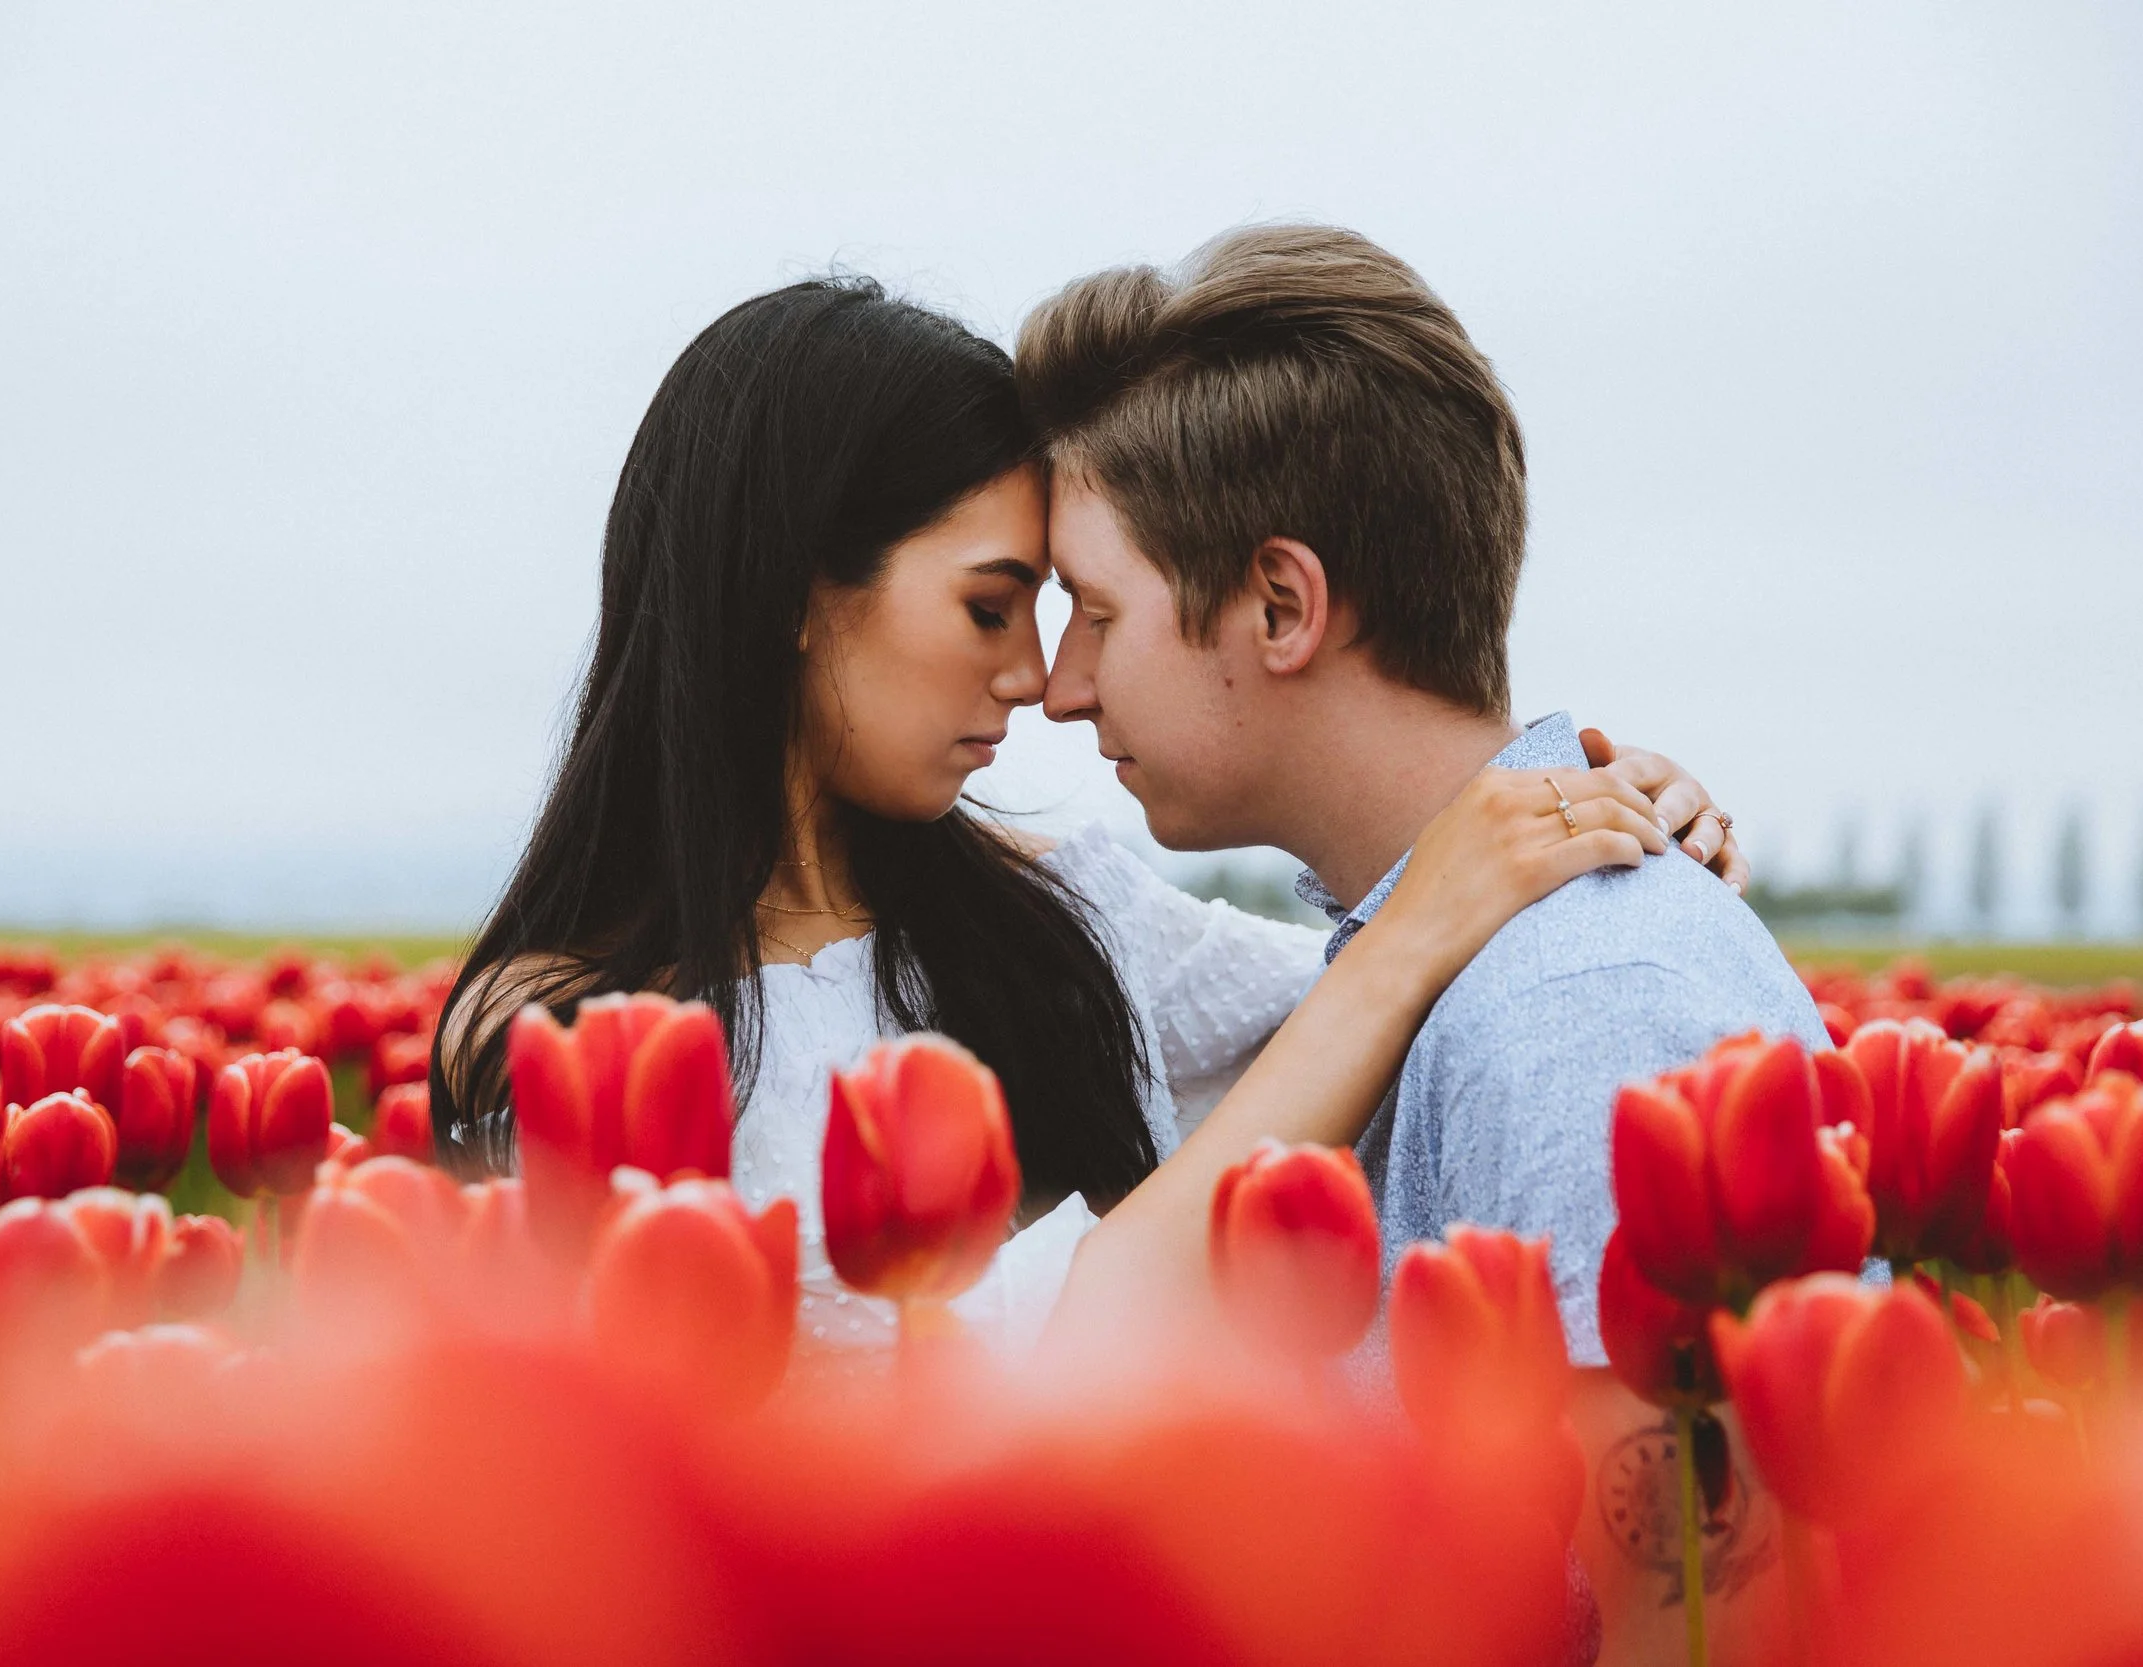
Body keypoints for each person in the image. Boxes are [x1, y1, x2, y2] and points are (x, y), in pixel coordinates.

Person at [428, 273, 1741, 1357]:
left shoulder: (1055, 914)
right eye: (991, 608)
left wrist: (1580, 809)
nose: (1035, 680)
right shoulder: (559, 1039)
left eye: (1063, 616)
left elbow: (1414, 989)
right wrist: (1412, 939)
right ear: (798, 591)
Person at [1021, 223, 1829, 1357]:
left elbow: (1671, 1534)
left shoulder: (1576, 1008)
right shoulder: (1456, 955)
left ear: (1282, 607)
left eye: (1095, 613)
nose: (1060, 688)